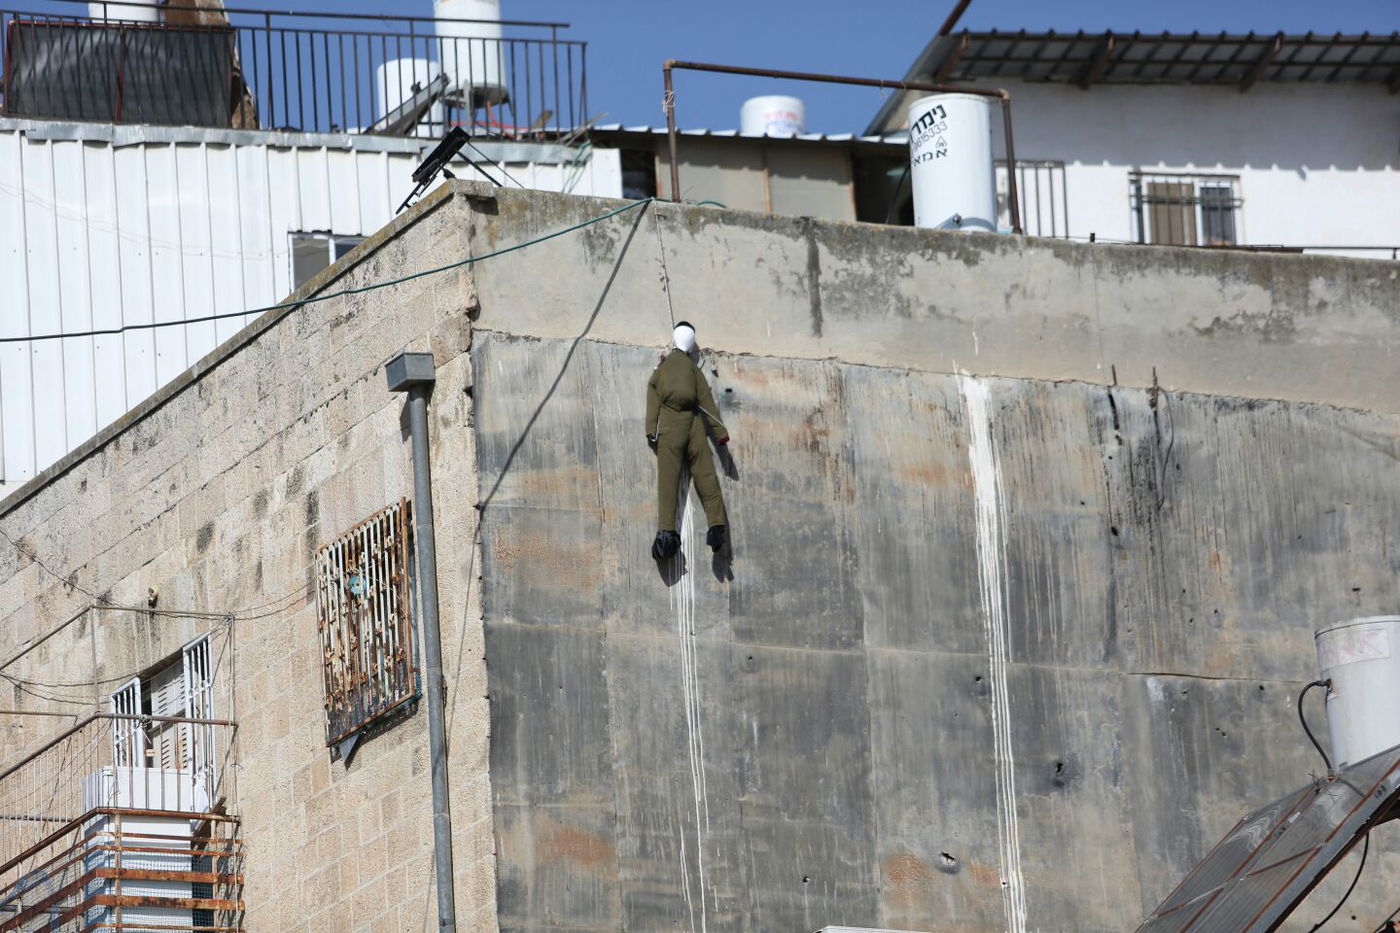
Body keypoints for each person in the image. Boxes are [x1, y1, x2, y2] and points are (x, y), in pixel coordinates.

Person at [646, 321, 729, 559]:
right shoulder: (695, 372)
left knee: (668, 482)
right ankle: (716, 527)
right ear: (692, 345)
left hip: (670, 425)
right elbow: (708, 404)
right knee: (706, 476)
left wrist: (651, 429)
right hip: (694, 425)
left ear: (673, 340)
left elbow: (652, 397)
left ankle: (666, 536)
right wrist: (720, 432)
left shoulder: (660, 370)